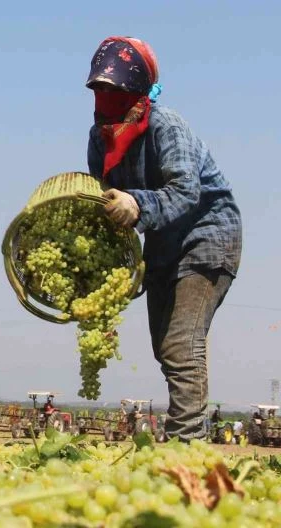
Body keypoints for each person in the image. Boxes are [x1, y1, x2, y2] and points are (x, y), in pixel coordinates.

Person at [85, 37, 242, 441]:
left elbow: (186, 192)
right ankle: (188, 440)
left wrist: (136, 204)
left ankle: (187, 448)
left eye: (116, 93)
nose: (107, 101)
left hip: (206, 235)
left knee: (180, 345)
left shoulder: (166, 126)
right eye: (100, 91)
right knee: (165, 349)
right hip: (162, 245)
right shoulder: (100, 140)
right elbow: (107, 208)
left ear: (138, 94)